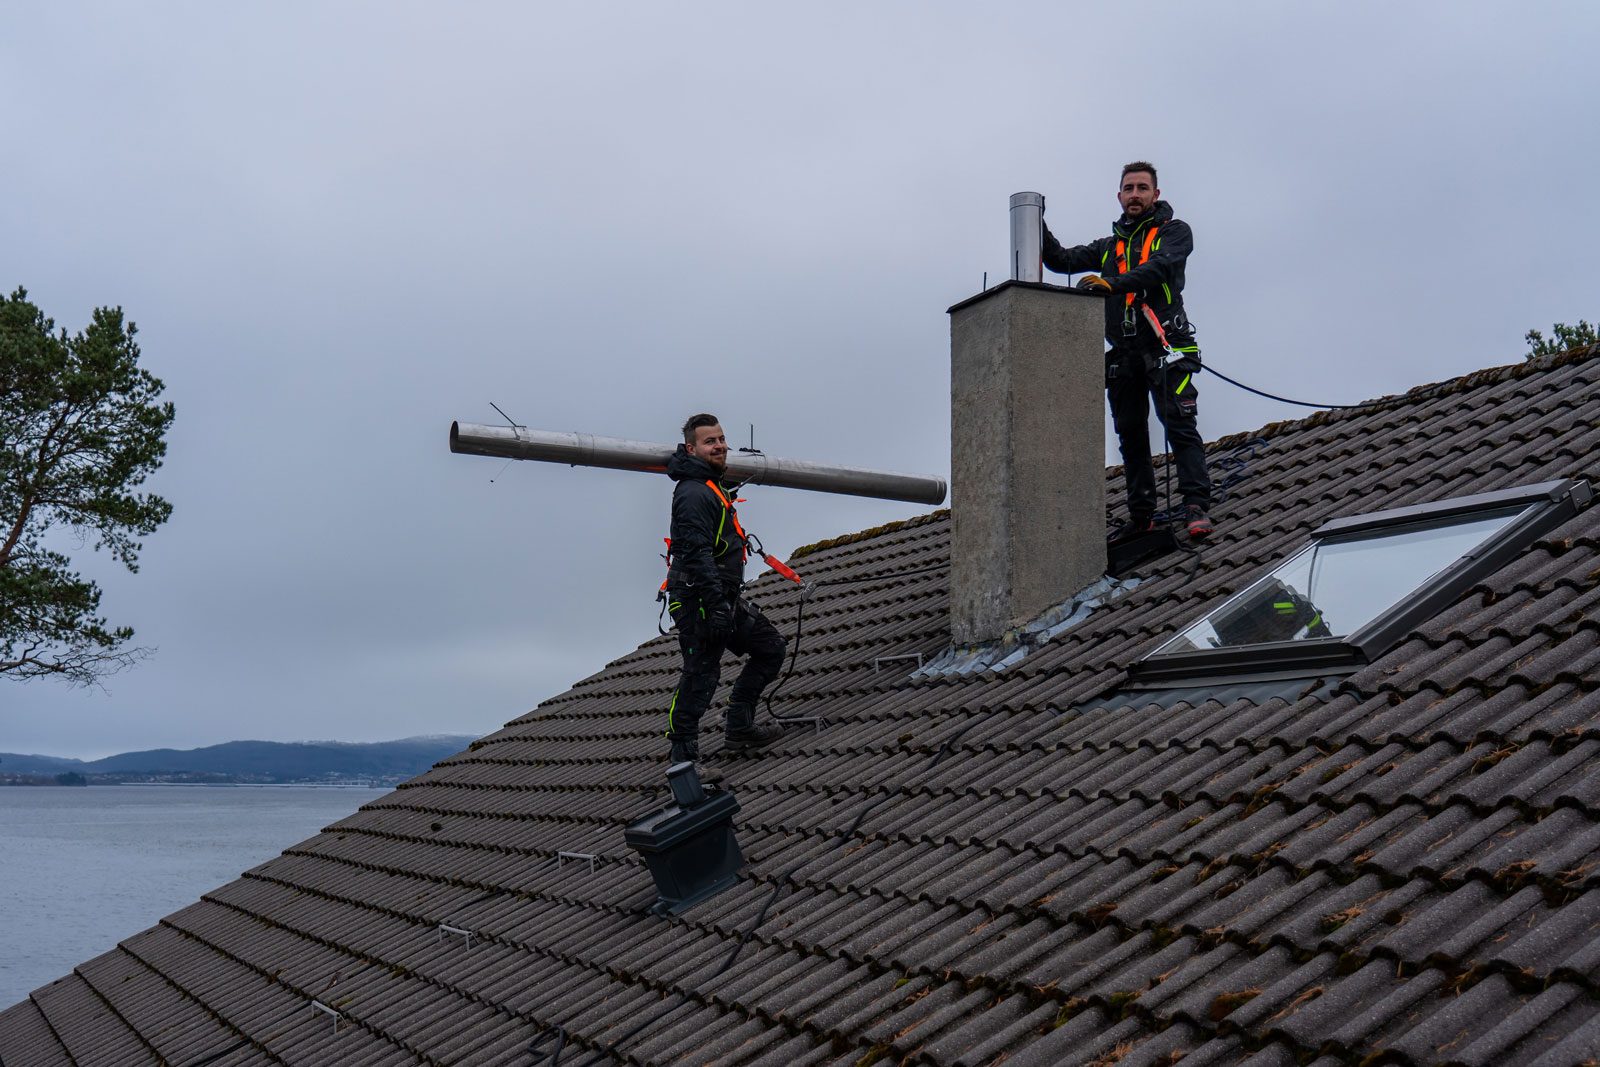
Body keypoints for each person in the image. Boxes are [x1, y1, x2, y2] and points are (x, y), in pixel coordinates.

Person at [1042, 161, 1214, 540]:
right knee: (1131, 435)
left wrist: (1111, 284)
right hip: (1124, 353)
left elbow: (1158, 269)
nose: (1134, 194)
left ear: (1156, 194)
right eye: (1128, 188)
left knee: (1179, 426)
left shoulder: (1173, 232)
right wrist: (1035, 217)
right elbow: (1061, 261)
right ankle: (1142, 517)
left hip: (1166, 346)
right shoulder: (1108, 246)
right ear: (1119, 196)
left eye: (1141, 188)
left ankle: (1195, 505)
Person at [662, 413, 787, 768]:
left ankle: (739, 726)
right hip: (699, 600)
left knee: (770, 648)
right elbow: (695, 552)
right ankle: (683, 761)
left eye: (720, 439)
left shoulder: (711, 486)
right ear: (692, 448)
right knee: (701, 675)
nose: (719, 446)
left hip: (721, 597)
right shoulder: (692, 493)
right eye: (709, 441)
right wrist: (716, 606)